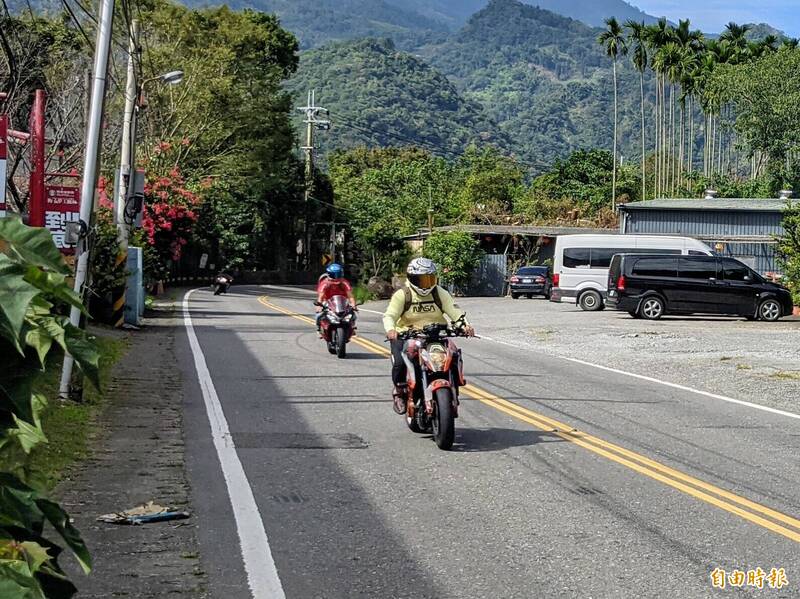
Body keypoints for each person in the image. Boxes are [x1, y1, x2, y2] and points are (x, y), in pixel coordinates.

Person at [383, 257, 475, 412]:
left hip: (436, 335)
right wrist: (391, 330)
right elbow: (390, 315)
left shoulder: (440, 293)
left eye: (429, 279)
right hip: (407, 335)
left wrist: (464, 325)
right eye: (421, 280)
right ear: (412, 278)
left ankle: (455, 384)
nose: (426, 284)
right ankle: (399, 391)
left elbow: (455, 312)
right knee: (400, 362)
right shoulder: (402, 295)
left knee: (453, 354)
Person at [316, 263, 356, 331]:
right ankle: (319, 328)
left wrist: (353, 304)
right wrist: (319, 306)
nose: (336, 277)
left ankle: (352, 327)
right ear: (328, 274)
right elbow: (321, 297)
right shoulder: (325, 283)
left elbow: (350, 296)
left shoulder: (344, 282)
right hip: (328, 301)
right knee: (319, 315)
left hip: (342, 302)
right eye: (333, 275)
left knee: (352, 314)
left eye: (338, 275)